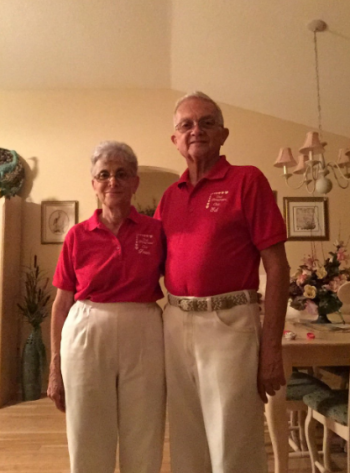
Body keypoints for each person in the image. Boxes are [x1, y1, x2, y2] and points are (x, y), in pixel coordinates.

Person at [154, 92, 290, 473]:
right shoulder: (168, 197)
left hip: (230, 323)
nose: (196, 130)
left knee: (234, 442)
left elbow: (278, 268)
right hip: (176, 322)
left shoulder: (248, 180)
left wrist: (271, 349)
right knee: (186, 440)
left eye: (207, 122)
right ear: (175, 140)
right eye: (186, 124)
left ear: (224, 134)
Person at [47, 141, 166, 473]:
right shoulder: (77, 235)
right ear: (94, 185)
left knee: (144, 428)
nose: (113, 181)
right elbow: (61, 305)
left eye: (122, 174)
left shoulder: (155, 231)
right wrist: (55, 368)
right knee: (87, 430)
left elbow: (182, 276)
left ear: (135, 182)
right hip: (86, 329)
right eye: (104, 175)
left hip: (143, 330)